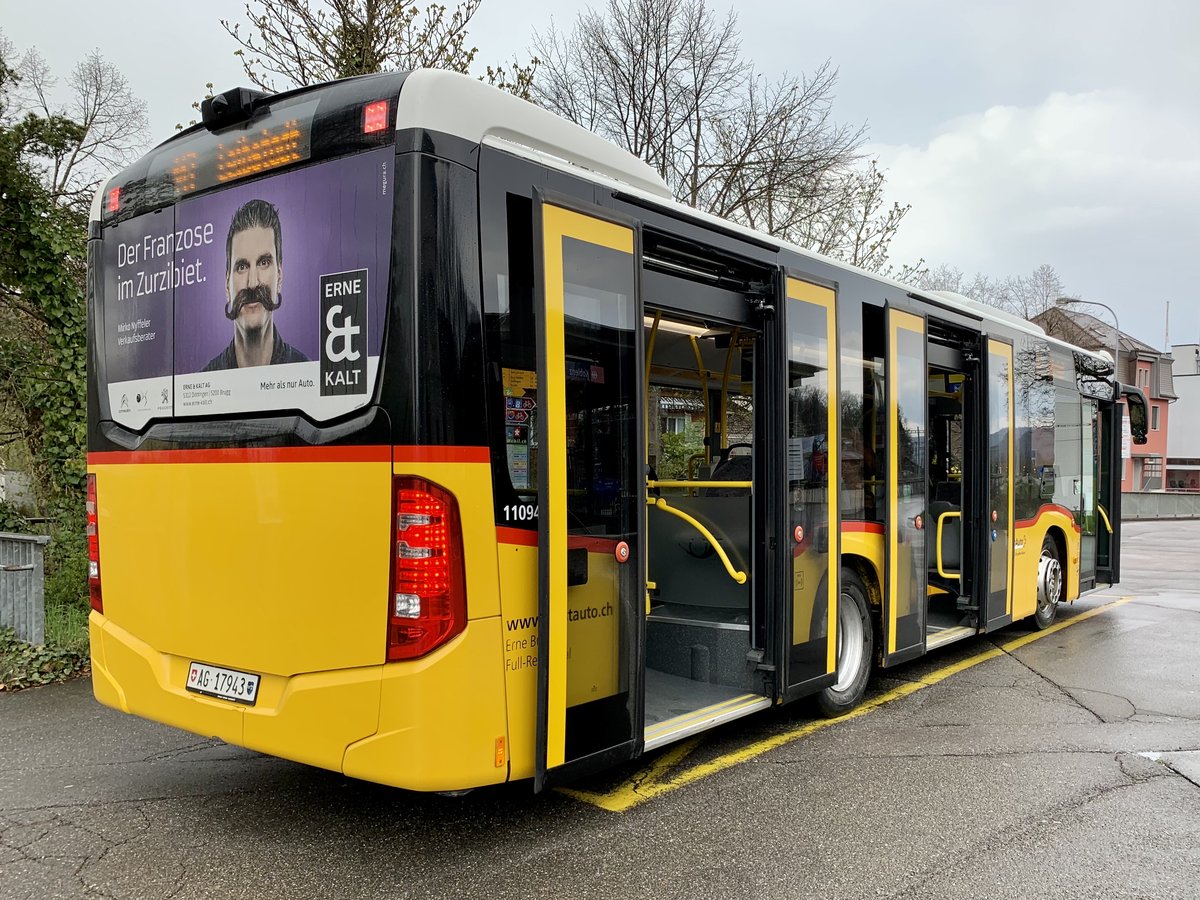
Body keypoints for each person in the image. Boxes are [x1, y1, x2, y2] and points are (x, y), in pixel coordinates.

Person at [202, 199, 309, 370]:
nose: (252, 283)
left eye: (264, 262)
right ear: (226, 285)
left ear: (279, 276)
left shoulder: (306, 373)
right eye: (242, 267)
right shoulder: (207, 378)